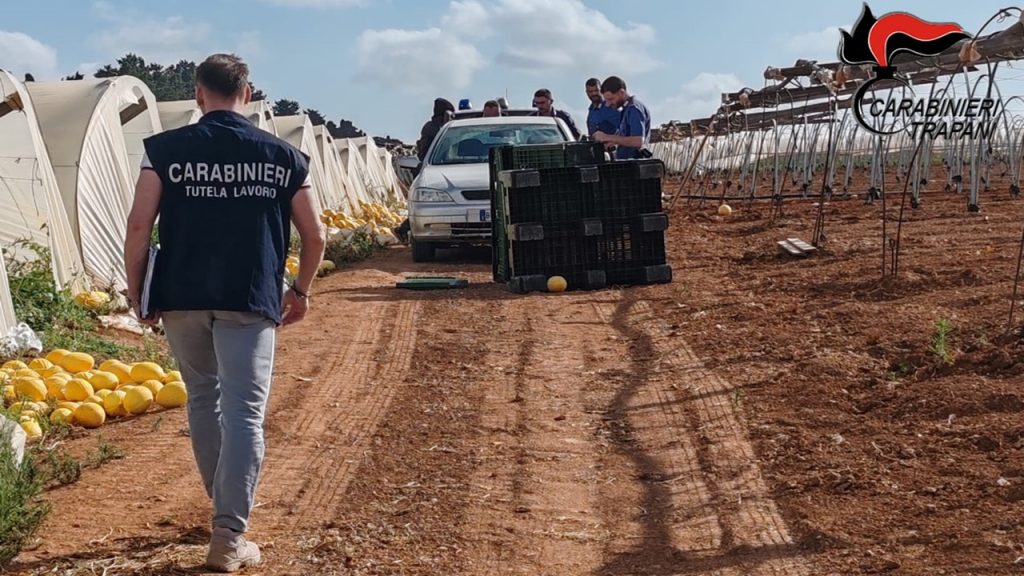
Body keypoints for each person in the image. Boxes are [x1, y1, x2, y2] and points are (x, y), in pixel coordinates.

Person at [124, 53, 326, 573]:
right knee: (244, 414)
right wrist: (301, 290)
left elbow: (139, 226)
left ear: (198, 94)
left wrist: (136, 292)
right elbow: (315, 234)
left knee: (202, 398)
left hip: (182, 295)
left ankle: (224, 510)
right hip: (249, 297)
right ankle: (229, 533)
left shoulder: (164, 151)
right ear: (248, 93)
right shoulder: (283, 156)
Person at [593, 76, 652, 160]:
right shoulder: (626, 109)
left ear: (621, 92)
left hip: (634, 164)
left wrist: (606, 137)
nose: (608, 104)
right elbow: (627, 137)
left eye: (611, 99)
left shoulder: (633, 109)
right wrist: (612, 142)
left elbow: (638, 141)